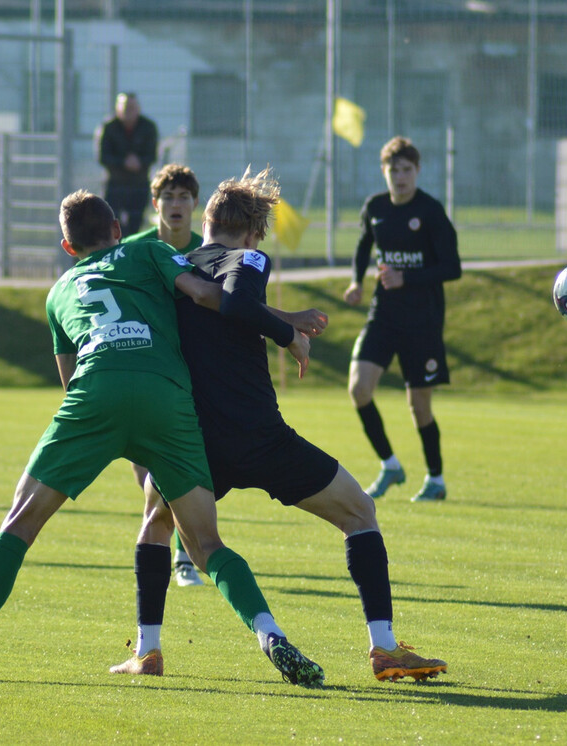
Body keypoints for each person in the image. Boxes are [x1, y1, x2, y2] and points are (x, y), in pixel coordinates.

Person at [0, 190, 324, 688]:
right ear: (117, 229)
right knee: (205, 543)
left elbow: (69, 381)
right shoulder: (147, 250)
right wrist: (286, 324)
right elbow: (207, 296)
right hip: (166, 398)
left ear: (68, 249)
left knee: (18, 524)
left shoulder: (57, 294)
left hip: (96, 393)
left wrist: (108, 436)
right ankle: (269, 633)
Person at [110, 167, 447, 683]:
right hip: (259, 437)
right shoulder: (249, 257)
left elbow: (222, 308)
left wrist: (283, 318)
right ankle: (383, 647)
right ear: (251, 233)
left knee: (155, 525)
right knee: (360, 511)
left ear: (205, 219)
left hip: (193, 442)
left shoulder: (175, 269)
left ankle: (148, 651)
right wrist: (288, 335)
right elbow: (240, 301)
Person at [343, 136, 462, 503]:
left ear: (417, 171)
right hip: (383, 315)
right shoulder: (376, 207)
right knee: (359, 389)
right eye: (393, 170)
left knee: (419, 406)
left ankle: (436, 479)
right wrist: (356, 281)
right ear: (384, 172)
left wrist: (405, 277)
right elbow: (364, 244)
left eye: (406, 170)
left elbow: (452, 267)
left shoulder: (430, 211)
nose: (400, 176)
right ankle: (390, 465)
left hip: (422, 321)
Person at [122, 163, 205, 586]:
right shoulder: (134, 249)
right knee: (146, 468)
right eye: (168, 196)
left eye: (183, 197)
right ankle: (170, 546)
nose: (175, 204)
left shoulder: (206, 251)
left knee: (178, 464)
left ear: (195, 204)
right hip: (143, 371)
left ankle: (181, 554)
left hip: (191, 372)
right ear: (155, 203)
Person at [97, 92, 158, 236]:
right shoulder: (108, 127)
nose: (128, 111)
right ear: (117, 108)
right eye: (125, 107)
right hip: (115, 185)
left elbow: (152, 155)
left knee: (135, 225)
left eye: (132, 107)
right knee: (112, 223)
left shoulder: (148, 127)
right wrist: (123, 162)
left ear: (138, 108)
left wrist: (139, 162)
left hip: (139, 184)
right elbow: (103, 156)